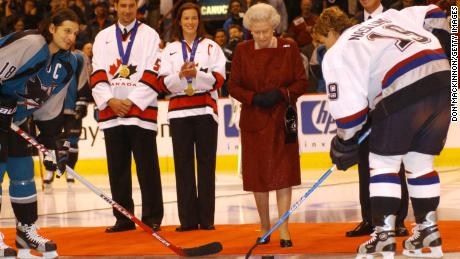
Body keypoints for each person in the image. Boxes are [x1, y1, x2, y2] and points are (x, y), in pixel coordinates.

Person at [315, 5, 450, 258]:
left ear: (332, 33)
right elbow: (435, 12)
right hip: (443, 80)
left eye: (323, 41)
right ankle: (428, 233)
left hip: (401, 87)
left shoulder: (339, 51)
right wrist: (444, 48)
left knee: (383, 162)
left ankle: (383, 238)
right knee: (420, 162)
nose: (325, 48)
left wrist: (344, 143)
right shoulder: (390, 17)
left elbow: (350, 115)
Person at [0, 8, 80, 258]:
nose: (71, 37)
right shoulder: (32, 42)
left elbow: (49, 108)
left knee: (23, 173)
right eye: (66, 30)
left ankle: (26, 232)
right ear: (52, 28)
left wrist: (52, 142)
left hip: (17, 120)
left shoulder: (68, 63)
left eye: (75, 33)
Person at [228, 3, 307, 248]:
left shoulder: (289, 47)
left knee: (284, 175)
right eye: (255, 32)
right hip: (255, 120)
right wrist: (253, 98)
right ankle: (264, 226)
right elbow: (233, 86)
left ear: (274, 27)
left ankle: (283, 227)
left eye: (265, 31)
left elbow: (301, 81)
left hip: (284, 118)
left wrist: (283, 93)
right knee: (258, 176)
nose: (260, 37)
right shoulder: (242, 50)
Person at [91, 0, 164, 233]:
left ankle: (152, 218)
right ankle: (123, 219)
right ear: (115, 6)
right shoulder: (102, 36)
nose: (127, 10)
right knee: (117, 168)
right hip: (112, 112)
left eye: (131, 5)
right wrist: (110, 100)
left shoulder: (150, 34)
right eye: (122, 5)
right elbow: (97, 70)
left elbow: (155, 71)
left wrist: (131, 101)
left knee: (147, 167)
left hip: (140, 112)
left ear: (137, 7)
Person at [157, 2, 226, 232]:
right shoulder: (170, 49)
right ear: (179, 21)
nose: (190, 22)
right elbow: (162, 82)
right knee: (183, 166)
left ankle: (206, 220)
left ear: (199, 21)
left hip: (205, 111)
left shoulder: (211, 47)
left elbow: (218, 79)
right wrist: (180, 76)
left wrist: (197, 74)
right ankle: (187, 221)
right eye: (186, 18)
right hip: (178, 113)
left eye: (194, 18)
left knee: (206, 166)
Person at [346, 0, 410, 238]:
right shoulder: (352, 26)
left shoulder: (395, 20)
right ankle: (369, 219)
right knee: (365, 164)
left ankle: (398, 219)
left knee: (394, 163)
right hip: (362, 104)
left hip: (391, 102)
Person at [42, 47, 92, 184]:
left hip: (71, 108)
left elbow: (84, 79)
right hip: (50, 109)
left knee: (72, 142)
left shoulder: (80, 57)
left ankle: (70, 170)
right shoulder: (47, 56)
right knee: (48, 141)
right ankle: (49, 170)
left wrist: (82, 101)